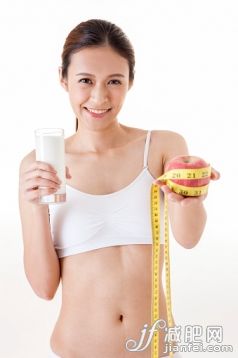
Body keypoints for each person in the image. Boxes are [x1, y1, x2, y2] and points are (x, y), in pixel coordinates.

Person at [18, 19, 220, 358]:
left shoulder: (162, 147)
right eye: (85, 81)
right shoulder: (38, 166)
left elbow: (188, 238)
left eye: (114, 81)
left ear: (130, 82)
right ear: (63, 79)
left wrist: (188, 199)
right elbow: (43, 288)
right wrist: (37, 205)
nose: (99, 97)